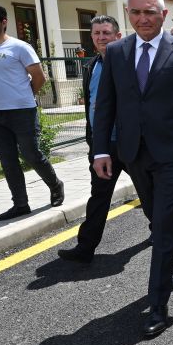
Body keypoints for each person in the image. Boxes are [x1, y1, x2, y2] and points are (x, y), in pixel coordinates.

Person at [92, 0, 173, 338]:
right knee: (158, 216)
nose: (143, 19)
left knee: (160, 228)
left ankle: (158, 305)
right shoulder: (115, 52)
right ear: (128, 15)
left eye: (150, 12)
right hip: (132, 153)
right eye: (136, 13)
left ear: (164, 14)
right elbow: (106, 106)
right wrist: (101, 150)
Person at [0, 2, 64, 220]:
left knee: (31, 154)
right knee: (7, 160)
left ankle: (55, 185)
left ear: (3, 22)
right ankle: (21, 204)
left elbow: (39, 77)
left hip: (22, 110)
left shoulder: (20, 47)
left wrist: (25, 97)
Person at [58, 16, 126, 262]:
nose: (101, 37)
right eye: (96, 33)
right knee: (99, 197)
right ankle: (85, 247)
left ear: (117, 36)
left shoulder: (130, 65)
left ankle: (169, 238)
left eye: (106, 33)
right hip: (102, 146)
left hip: (130, 144)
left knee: (149, 195)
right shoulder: (92, 66)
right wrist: (95, 143)